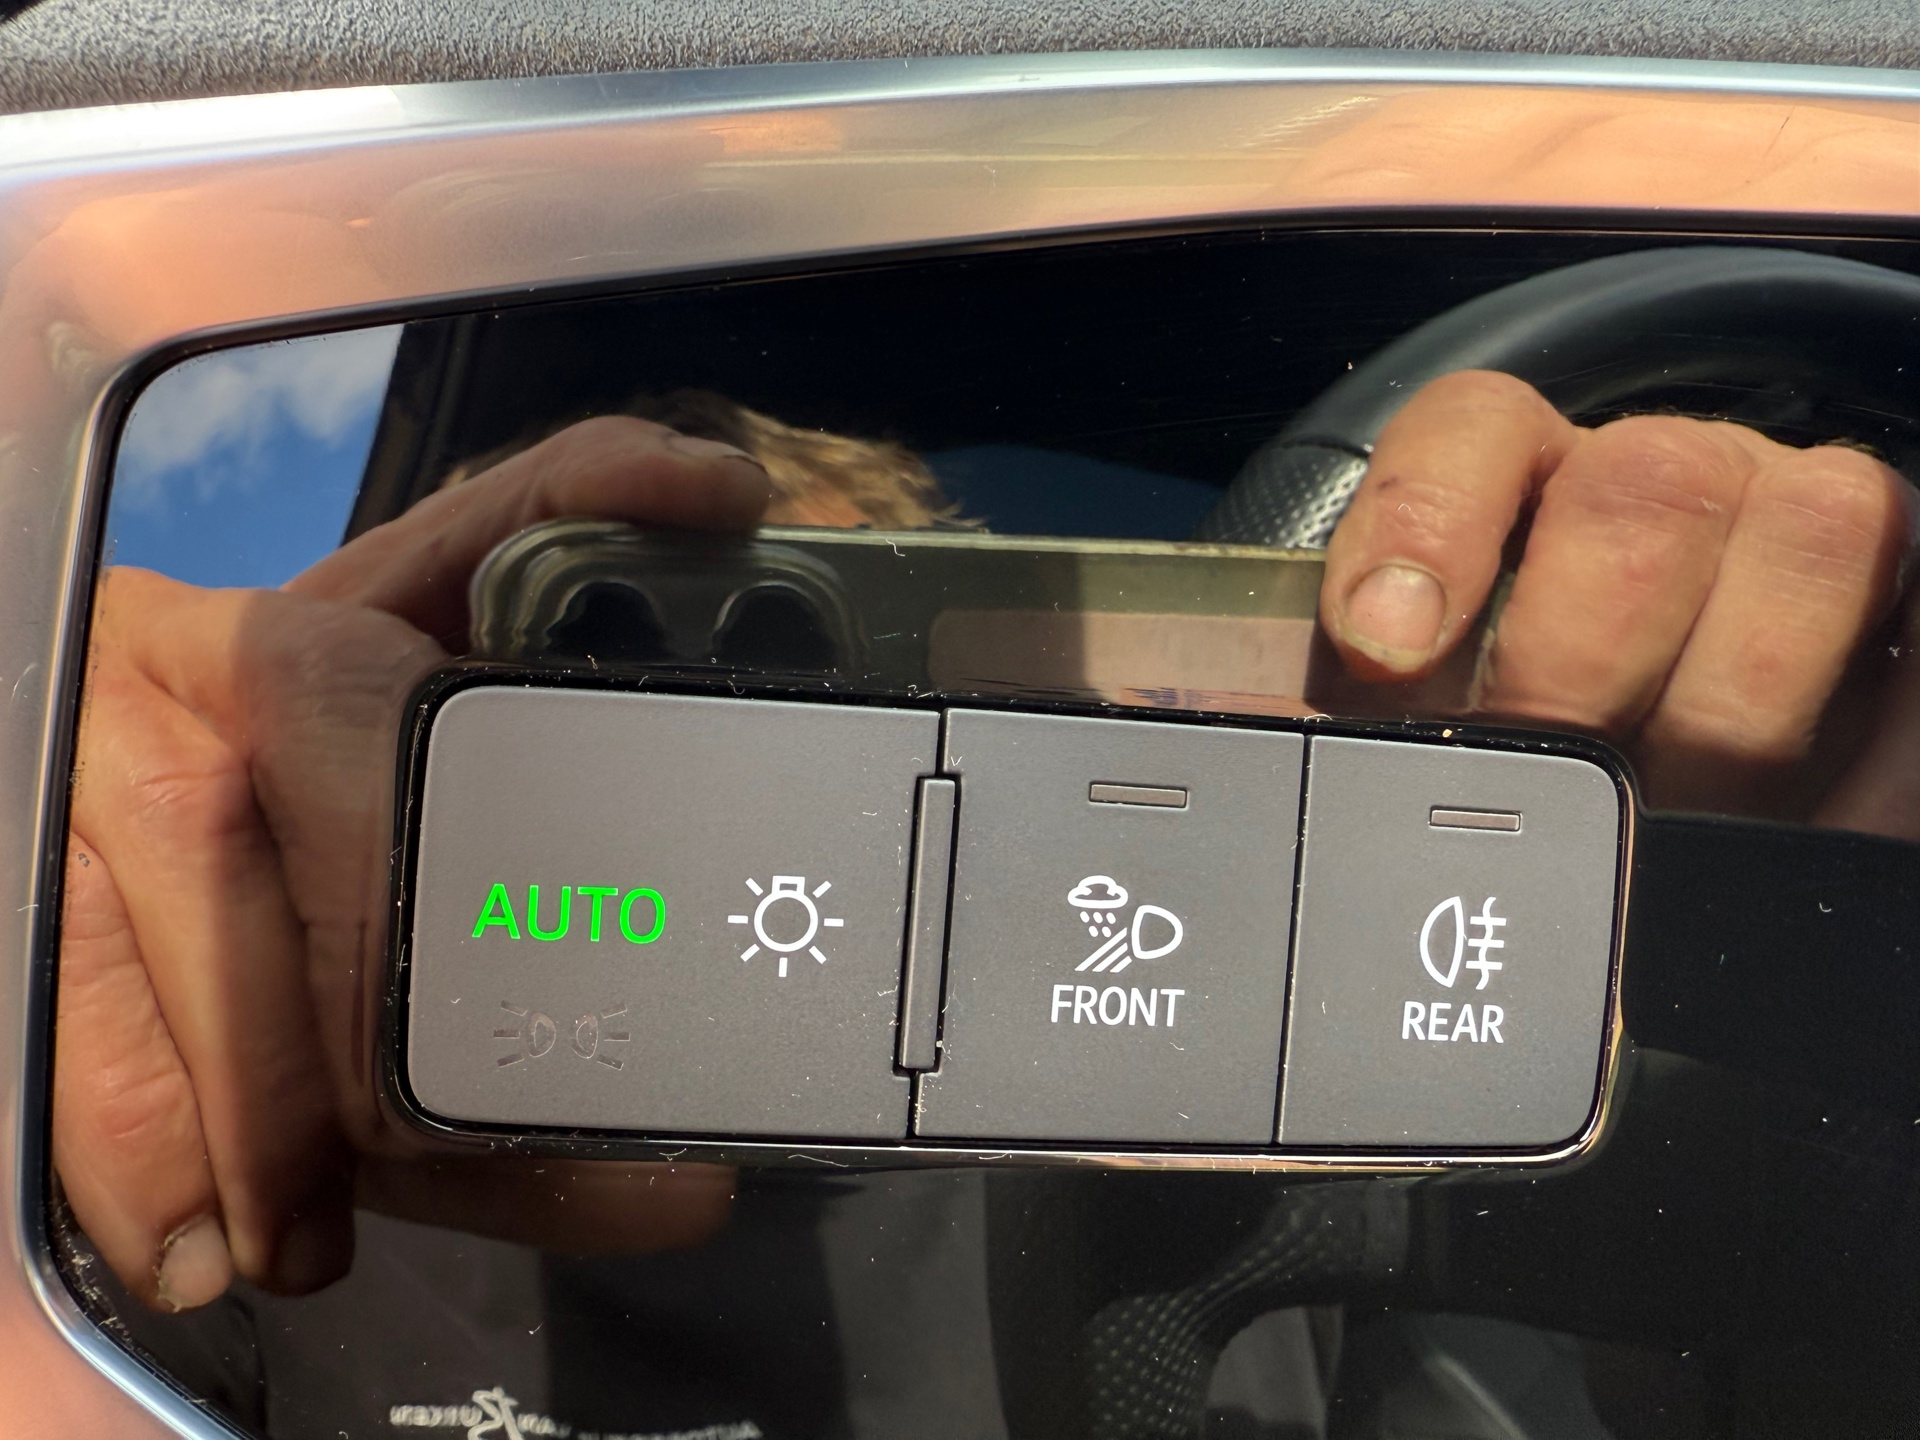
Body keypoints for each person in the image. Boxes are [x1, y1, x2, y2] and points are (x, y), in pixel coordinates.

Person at [53, 369, 1920, 1318]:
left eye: (870, 688)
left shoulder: (1326, 1137)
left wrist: (1800, 900)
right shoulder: (239, 1182)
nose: (827, 815)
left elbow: (1792, 1253)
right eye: (625, 681)